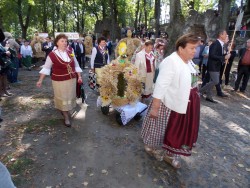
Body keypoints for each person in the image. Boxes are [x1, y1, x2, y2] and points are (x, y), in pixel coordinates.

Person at [141, 33, 200, 169]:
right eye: (191, 48)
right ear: (181, 48)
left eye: (195, 48)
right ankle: (152, 148)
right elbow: (161, 85)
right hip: (167, 105)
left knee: (177, 132)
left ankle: (170, 154)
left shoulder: (188, 61)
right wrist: (155, 108)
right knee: (161, 129)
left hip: (184, 104)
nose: (194, 51)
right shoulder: (171, 61)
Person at [36, 34, 83, 127]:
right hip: (59, 81)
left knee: (69, 97)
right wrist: (40, 80)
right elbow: (46, 68)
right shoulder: (52, 55)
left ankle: (65, 110)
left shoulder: (71, 51)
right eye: (62, 41)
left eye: (66, 41)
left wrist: (80, 77)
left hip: (71, 80)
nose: (64, 43)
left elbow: (76, 65)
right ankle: (66, 116)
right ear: (57, 43)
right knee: (63, 98)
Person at [199, 30, 231, 103]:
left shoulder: (221, 44)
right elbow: (212, 55)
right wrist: (224, 57)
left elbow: (218, 55)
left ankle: (209, 97)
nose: (226, 35)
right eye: (225, 34)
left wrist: (225, 57)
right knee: (216, 81)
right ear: (220, 35)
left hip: (216, 66)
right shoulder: (215, 44)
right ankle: (199, 91)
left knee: (211, 81)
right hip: (213, 66)